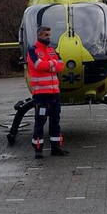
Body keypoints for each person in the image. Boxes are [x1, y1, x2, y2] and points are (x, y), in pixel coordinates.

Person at [26, 26, 68, 158]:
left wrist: (49, 64)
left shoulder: (51, 50)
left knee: (55, 120)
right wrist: (52, 64)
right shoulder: (32, 51)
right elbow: (38, 65)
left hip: (54, 93)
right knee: (40, 121)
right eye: (45, 35)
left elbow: (61, 65)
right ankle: (38, 149)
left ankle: (56, 148)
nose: (48, 38)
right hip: (41, 94)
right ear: (39, 35)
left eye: (49, 35)